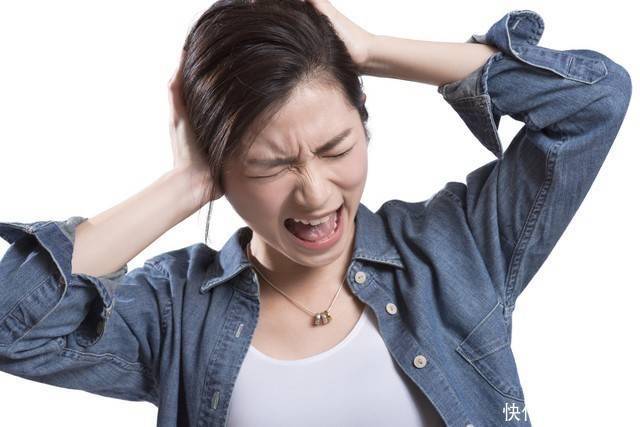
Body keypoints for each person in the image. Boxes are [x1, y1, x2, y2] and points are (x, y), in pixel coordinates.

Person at [0, 1, 631, 426]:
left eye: (336, 149)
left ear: (364, 121)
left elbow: (593, 100)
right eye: (270, 166)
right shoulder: (175, 310)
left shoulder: (455, 248)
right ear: (220, 169)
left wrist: (373, 50)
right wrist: (184, 183)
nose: (315, 194)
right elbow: (10, 326)